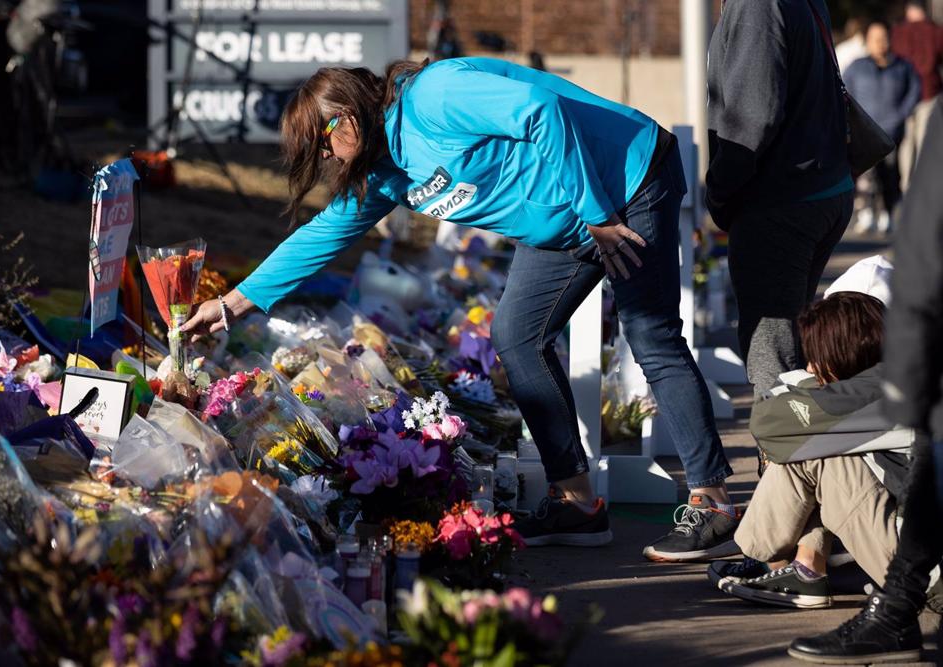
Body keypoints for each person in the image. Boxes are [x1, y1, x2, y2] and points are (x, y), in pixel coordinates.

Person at [181, 57, 735, 555]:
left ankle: (712, 502)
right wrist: (231, 303)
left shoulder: (436, 95)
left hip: (626, 182)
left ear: (347, 115)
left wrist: (594, 209)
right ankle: (578, 504)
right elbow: (322, 234)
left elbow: (541, 111)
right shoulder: (384, 172)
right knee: (517, 338)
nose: (326, 158)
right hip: (568, 223)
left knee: (651, 335)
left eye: (325, 144)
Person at [786, 98, 943, 667]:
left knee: (825, 456)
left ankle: (798, 566)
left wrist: (805, 392)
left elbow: (776, 428)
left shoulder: (881, 386)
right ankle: (809, 564)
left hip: (925, 569)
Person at [708, 287, 917, 610]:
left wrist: (809, 388)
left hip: (923, 575)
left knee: (814, 450)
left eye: (815, 356)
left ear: (843, 353)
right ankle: (802, 567)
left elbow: (768, 421)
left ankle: (785, 565)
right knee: (820, 441)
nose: (810, 368)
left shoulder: (881, 395)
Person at [706, 0, 854, 406]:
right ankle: (798, 459)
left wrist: (719, 189)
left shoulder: (756, 4)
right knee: (791, 345)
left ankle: (781, 465)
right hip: (817, 187)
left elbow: (753, 116)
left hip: (782, 198)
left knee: (772, 356)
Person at [843, 21, 921, 235]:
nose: (879, 43)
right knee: (865, 178)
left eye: (883, 37)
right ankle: (866, 214)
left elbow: (915, 92)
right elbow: (844, 93)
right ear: (867, 41)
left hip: (892, 132)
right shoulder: (856, 67)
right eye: (874, 38)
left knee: (890, 176)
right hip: (864, 133)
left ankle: (889, 214)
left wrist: (901, 114)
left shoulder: (903, 66)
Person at [891, 0, 943, 190]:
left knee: (906, 142)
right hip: (929, 92)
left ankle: (906, 185)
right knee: (924, 142)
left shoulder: (898, 31)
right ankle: (924, 188)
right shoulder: (936, 31)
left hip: (903, 95)